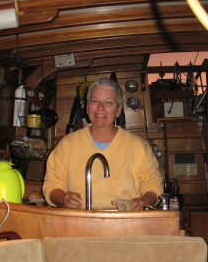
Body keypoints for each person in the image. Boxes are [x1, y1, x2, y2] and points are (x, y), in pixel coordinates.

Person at [43, 78, 163, 210]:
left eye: (108, 102)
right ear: (87, 107)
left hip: (125, 224)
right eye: (95, 101)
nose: (100, 108)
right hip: (78, 223)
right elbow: (52, 186)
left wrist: (142, 201)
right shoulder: (67, 145)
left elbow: (154, 187)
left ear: (118, 110)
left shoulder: (138, 147)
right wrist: (64, 198)